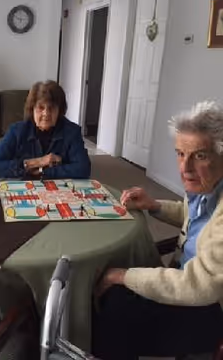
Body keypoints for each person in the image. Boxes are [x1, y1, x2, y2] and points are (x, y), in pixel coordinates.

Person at [93, 101, 223, 359]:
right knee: (113, 288)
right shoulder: (208, 188)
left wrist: (121, 276)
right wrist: (154, 205)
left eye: (199, 155)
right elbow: (194, 217)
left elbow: (199, 286)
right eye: (180, 153)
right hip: (186, 280)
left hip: (209, 309)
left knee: (115, 311)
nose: (184, 168)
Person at [0, 80, 91, 179]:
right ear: (32, 109)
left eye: (51, 108)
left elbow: (83, 169)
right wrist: (39, 162)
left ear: (59, 111)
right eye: (41, 108)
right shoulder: (16, 131)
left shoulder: (72, 132)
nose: (46, 113)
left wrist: (43, 171)